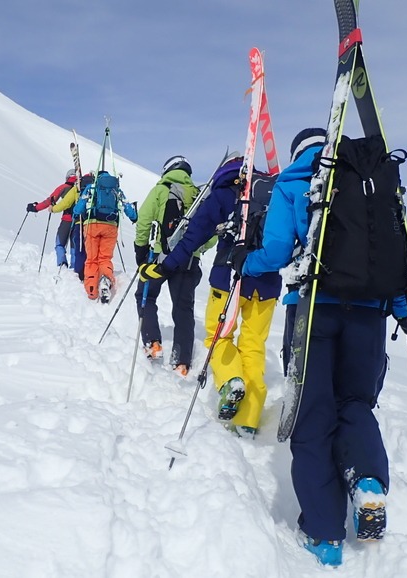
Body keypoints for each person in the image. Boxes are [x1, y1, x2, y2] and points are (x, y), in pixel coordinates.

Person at [232, 127, 407, 567]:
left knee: (313, 415)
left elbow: (275, 252)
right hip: (370, 312)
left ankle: (325, 533)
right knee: (354, 403)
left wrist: (245, 261)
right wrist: (404, 309)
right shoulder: (370, 177)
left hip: (313, 311)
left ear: (298, 151)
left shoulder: (293, 181)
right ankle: (368, 482)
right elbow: (393, 247)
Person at [138, 155, 280, 437]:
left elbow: (193, 237)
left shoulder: (223, 195)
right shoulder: (272, 195)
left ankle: (230, 380)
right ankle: (249, 418)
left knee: (219, 336)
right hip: (266, 283)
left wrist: (165, 265)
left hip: (228, 277)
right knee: (253, 345)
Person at [132, 156, 207, 375]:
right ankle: (182, 363)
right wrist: (197, 250)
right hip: (188, 261)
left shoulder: (161, 190)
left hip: (160, 257)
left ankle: (153, 344)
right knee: (183, 309)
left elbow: (144, 220)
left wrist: (141, 251)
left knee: (145, 296)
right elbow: (209, 233)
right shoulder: (198, 195)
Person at [73, 170, 137, 302]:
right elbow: (131, 212)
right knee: (105, 258)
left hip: (92, 225)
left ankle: (92, 291)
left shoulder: (91, 187)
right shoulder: (116, 189)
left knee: (91, 259)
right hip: (110, 226)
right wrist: (133, 216)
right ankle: (105, 280)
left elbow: (78, 210)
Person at [26, 169, 79, 269]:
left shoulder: (63, 187)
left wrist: (35, 208)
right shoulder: (82, 187)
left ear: (67, 177)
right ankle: (75, 268)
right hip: (79, 221)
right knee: (75, 246)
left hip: (67, 220)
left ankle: (62, 265)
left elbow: (49, 201)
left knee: (60, 244)